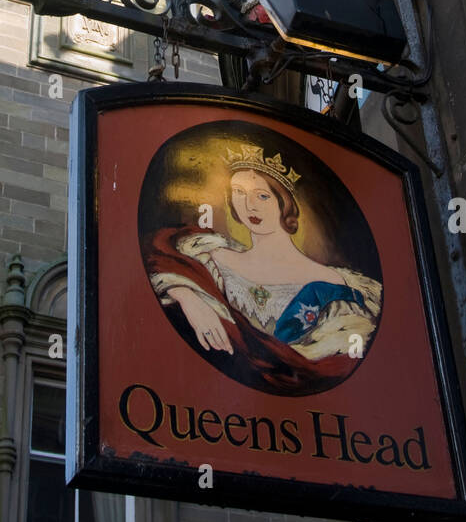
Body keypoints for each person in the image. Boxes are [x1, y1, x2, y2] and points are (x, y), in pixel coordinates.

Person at [147, 144, 382, 395]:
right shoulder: (212, 258)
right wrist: (188, 296)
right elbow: (162, 263)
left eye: (262, 196)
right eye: (238, 193)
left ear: (285, 204)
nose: (249, 206)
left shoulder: (331, 283)